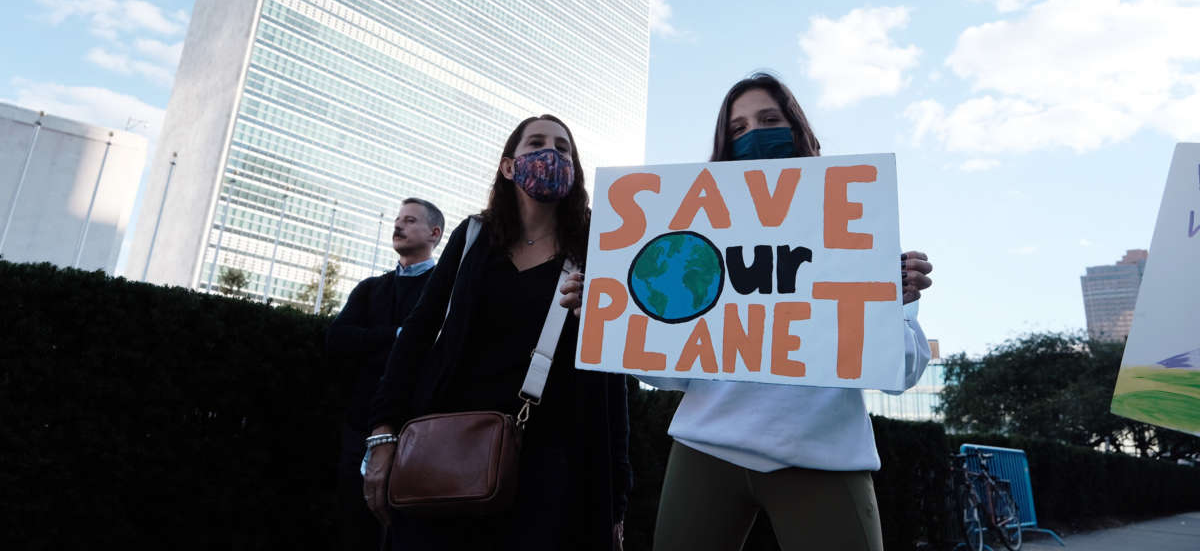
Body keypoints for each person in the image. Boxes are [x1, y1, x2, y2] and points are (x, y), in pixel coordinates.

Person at [565, 72, 935, 551]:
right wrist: (606, 315)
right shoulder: (690, 232)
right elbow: (669, 372)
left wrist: (896, 305)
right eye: (737, 129)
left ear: (797, 130)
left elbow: (900, 374)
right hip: (705, 449)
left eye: (768, 119)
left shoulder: (856, 229)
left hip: (822, 456)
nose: (753, 134)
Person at [362, 115, 632, 551]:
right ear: (509, 166)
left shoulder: (599, 251)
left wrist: (617, 498)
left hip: (552, 472)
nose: (551, 155)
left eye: (563, 149)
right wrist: (383, 432)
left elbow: (613, 378)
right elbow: (418, 332)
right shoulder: (473, 238)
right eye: (537, 144)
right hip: (447, 454)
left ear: (577, 170)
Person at [326, 198, 445, 550]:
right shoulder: (370, 288)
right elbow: (338, 339)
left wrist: (373, 342)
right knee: (354, 525)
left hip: (419, 431)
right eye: (397, 219)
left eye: (409, 220)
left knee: (408, 529)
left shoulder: (446, 289)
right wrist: (398, 336)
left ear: (434, 233)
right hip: (359, 425)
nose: (398, 226)